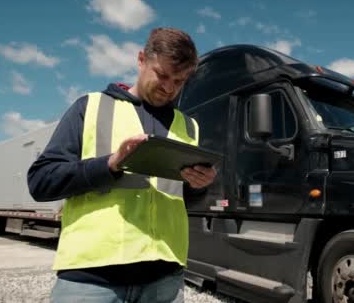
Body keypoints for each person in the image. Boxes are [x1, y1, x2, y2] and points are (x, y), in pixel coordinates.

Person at [28, 27, 217, 303]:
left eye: (179, 81)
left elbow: (182, 200)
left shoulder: (189, 126)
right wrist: (111, 164)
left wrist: (200, 185)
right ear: (141, 60)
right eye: (162, 75)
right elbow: (40, 181)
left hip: (165, 281)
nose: (169, 87)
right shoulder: (89, 107)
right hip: (92, 279)